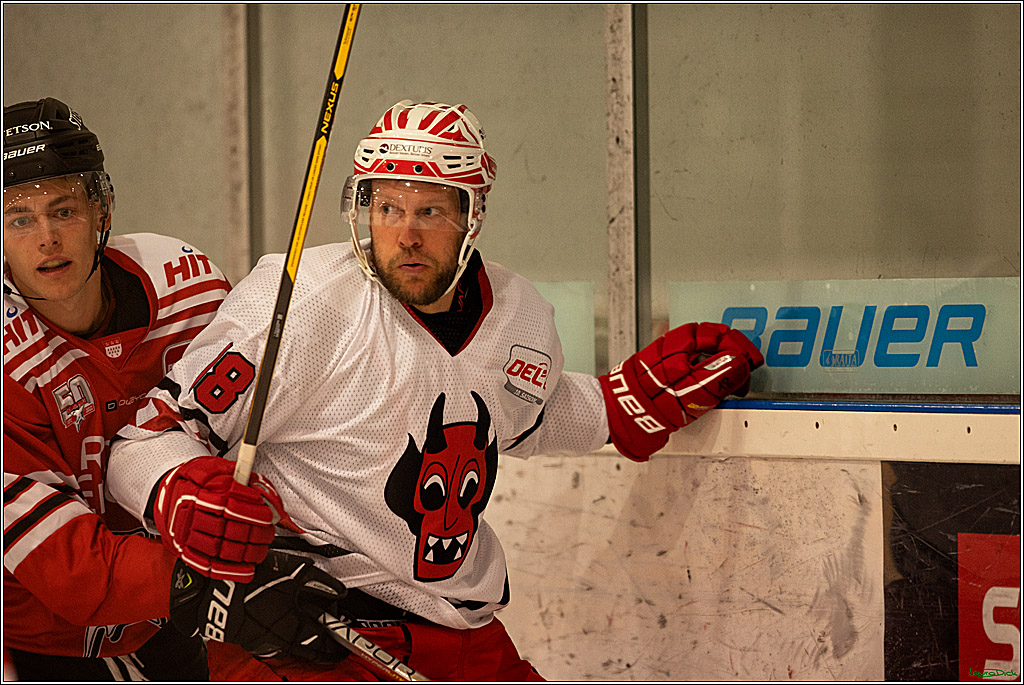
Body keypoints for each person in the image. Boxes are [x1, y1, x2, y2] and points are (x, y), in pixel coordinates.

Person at [106, 99, 765, 681]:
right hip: (309, 634)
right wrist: (180, 491)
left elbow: (525, 413)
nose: (406, 234)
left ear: (471, 216)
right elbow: (147, 438)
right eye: (388, 208)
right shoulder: (300, 303)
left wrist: (615, 404)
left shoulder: (518, 313)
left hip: (463, 635)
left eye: (430, 210)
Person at [3, 97, 232, 680]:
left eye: (63, 210)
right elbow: (70, 568)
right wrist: (201, 581)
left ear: (101, 208)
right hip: (44, 641)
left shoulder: (189, 288)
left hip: (181, 617)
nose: (47, 238)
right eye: (19, 218)